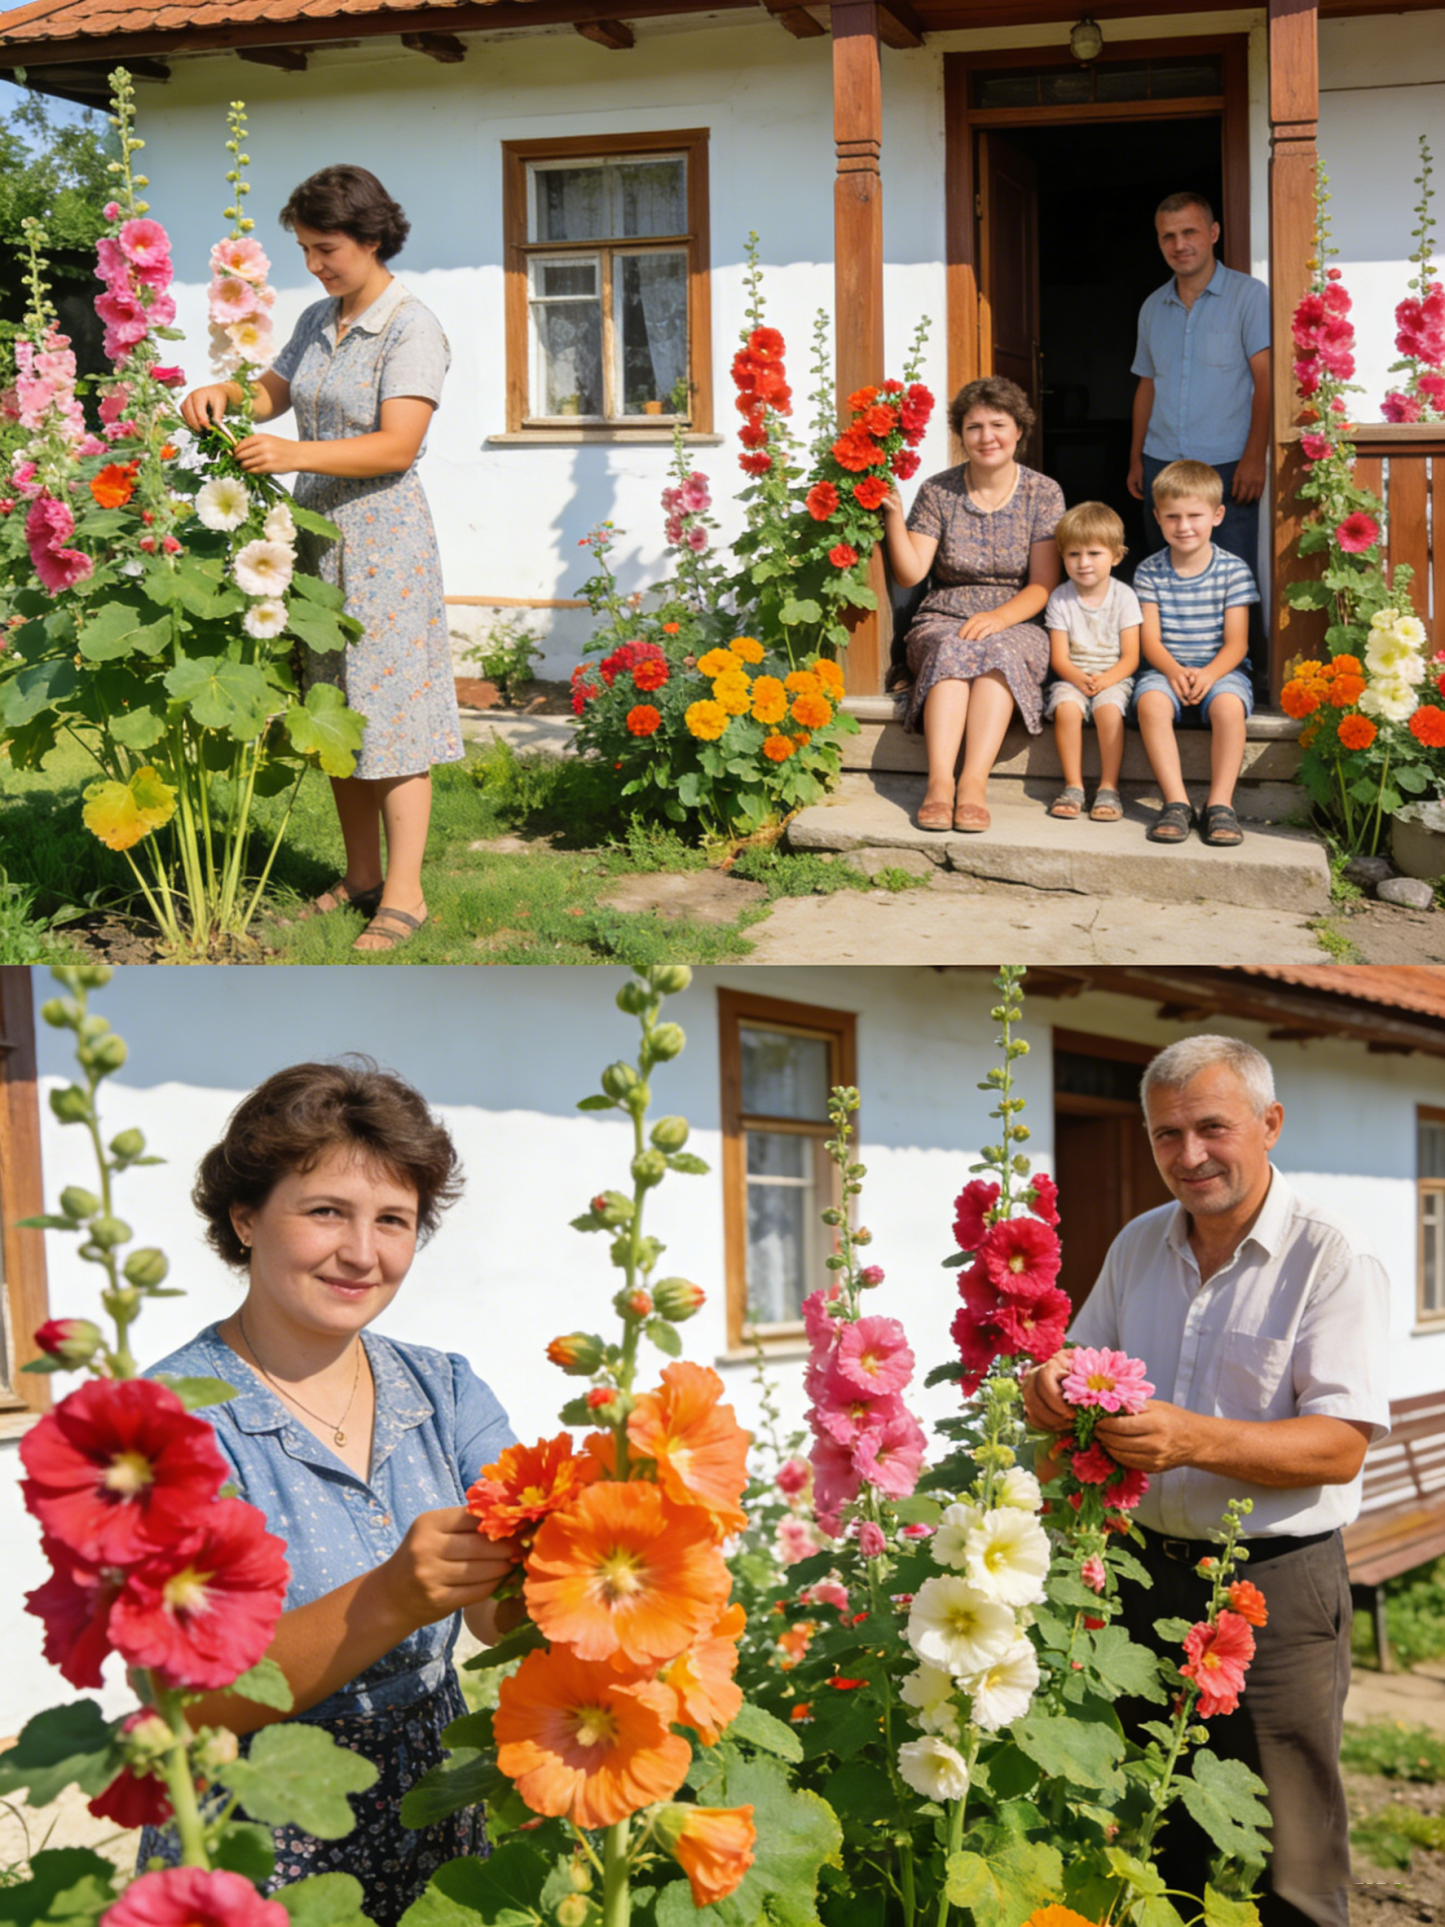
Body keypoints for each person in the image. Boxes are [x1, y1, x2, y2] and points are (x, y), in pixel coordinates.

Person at [1023, 1034, 1390, 1927]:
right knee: (1158, 1830)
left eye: (1211, 1128)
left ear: (1268, 1125)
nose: (1187, 1156)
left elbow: (1339, 1444)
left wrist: (1193, 1439)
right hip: (1145, 1574)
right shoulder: (1139, 1243)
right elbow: (1085, 1354)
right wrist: (1049, 1379)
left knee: (1293, 1860)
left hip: (1276, 1585)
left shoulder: (1329, 1258)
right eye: (1164, 1134)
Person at [142, 1060, 519, 1924]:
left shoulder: (446, 1389)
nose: (362, 1252)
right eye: (325, 1211)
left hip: (437, 1824)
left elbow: (500, 1616)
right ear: (245, 1219)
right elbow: (193, 1696)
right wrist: (388, 1596)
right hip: (258, 1843)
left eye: (394, 1219)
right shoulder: (173, 1422)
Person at [181, 167, 461, 953]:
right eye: (305, 249)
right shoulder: (318, 316)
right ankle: (361, 875)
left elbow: (398, 443)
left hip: (384, 541)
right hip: (317, 538)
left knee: (395, 715)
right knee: (331, 708)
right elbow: (273, 391)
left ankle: (406, 895)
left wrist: (293, 451)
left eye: (326, 248)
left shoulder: (412, 327)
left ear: (372, 237)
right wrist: (224, 397)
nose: (315, 264)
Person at [882, 377, 1063, 835]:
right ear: (961, 434)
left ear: (1019, 430)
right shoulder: (938, 491)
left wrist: (999, 618)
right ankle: (940, 784)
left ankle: (974, 786)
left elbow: (1043, 585)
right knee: (951, 650)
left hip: (1017, 616)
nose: (987, 437)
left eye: (998, 425)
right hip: (943, 616)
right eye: (974, 427)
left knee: (997, 653)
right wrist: (893, 517)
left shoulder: (1044, 493)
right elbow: (911, 573)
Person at [1126, 191, 1271, 694]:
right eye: (1168, 235)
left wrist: (1256, 455)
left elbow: (1266, 380)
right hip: (1162, 460)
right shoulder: (1152, 307)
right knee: (1165, 577)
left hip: (1229, 462)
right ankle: (1166, 680)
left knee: (1230, 579)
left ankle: (1234, 681)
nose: (1179, 244)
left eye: (1189, 232)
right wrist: (1136, 457)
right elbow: (1147, 384)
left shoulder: (1250, 296)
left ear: (1213, 233)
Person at [1132, 460, 1259, 847]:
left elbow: (1237, 643)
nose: (1183, 526)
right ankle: (1176, 802)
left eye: (1194, 515)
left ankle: (1221, 804)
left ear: (1217, 515)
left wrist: (1208, 675)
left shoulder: (1233, 571)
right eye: (1172, 516)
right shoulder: (1148, 572)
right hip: (1164, 668)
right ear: (1157, 517)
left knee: (1228, 709)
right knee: (1151, 703)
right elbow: (1149, 640)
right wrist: (1172, 671)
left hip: (1222, 669)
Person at [1042, 502, 1141, 823]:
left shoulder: (1124, 596)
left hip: (1114, 676)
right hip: (1072, 676)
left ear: (1116, 556)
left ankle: (1109, 787)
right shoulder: (1060, 597)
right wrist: (1077, 677)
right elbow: (1059, 656)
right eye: (1073, 554)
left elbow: (1131, 657)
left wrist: (1107, 679)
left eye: (1094, 554)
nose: (1083, 563)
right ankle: (1073, 786)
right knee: (1067, 710)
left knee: (1108, 710)